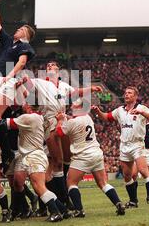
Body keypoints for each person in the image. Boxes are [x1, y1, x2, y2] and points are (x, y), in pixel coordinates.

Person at [20, 61, 102, 209]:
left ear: (59, 70)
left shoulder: (63, 85)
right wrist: (25, 78)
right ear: (46, 71)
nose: (51, 66)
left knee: (65, 160)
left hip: (63, 119)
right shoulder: (41, 82)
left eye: (53, 65)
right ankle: (65, 200)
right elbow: (29, 83)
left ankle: (61, 196)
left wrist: (92, 88)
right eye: (48, 65)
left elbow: (76, 92)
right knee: (57, 162)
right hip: (50, 121)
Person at [0, 0, 36, 172]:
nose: (18, 29)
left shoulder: (25, 46)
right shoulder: (9, 42)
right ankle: (3, 149)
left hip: (8, 82)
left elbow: (21, 63)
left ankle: (7, 151)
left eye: (21, 29)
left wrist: (9, 76)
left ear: (27, 35)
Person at [0, 103, 69, 222]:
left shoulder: (28, 117)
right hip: (31, 155)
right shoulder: (39, 117)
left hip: (33, 156)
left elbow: (1, 124)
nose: (23, 104)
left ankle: (55, 212)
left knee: (39, 187)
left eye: (26, 103)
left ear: (29, 107)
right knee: (28, 184)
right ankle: (63, 210)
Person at [92, 86, 149, 209]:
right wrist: (98, 111)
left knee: (144, 171)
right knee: (127, 176)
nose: (126, 95)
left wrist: (142, 113)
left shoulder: (141, 108)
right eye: (125, 93)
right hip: (124, 145)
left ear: (135, 96)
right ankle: (133, 201)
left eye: (129, 93)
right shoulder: (120, 110)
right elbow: (106, 117)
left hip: (137, 144)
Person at [55, 99, 125, 217]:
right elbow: (74, 120)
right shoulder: (88, 117)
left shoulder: (73, 122)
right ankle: (118, 203)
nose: (71, 106)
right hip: (96, 153)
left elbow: (59, 133)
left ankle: (79, 210)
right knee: (103, 183)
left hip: (82, 156)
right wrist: (67, 117)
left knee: (71, 183)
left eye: (74, 105)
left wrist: (60, 120)